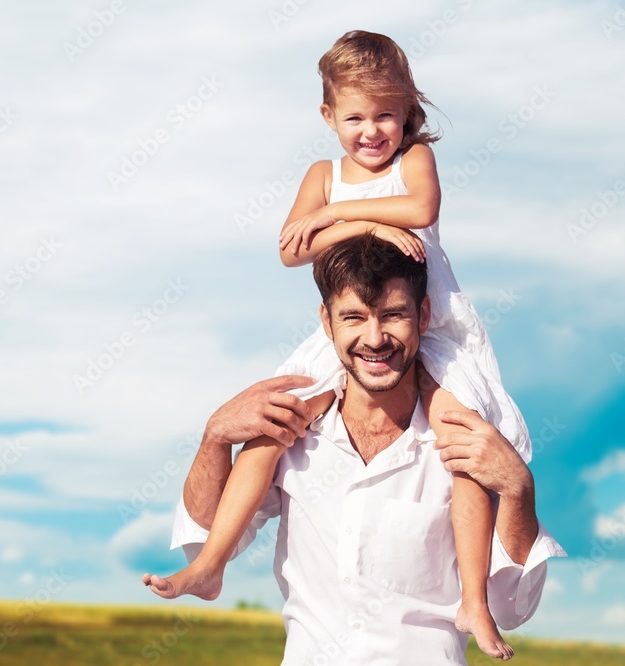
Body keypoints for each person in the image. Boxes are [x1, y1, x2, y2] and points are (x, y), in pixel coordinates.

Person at [143, 30, 532, 659]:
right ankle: (211, 562)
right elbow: (291, 247)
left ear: (408, 112)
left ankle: (474, 601)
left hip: (435, 333)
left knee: (461, 439)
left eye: (386, 114)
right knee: (274, 428)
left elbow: (422, 208)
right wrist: (359, 219)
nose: (372, 131)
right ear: (328, 116)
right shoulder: (323, 175)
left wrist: (347, 219)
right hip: (370, 324)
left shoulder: (414, 162)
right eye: (355, 116)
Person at [160, 235, 566, 665]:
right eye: (353, 317)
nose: (374, 339)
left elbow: (511, 608)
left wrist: (519, 489)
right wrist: (215, 438)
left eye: (393, 315)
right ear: (326, 322)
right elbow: (201, 543)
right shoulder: (292, 436)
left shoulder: (465, 440)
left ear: (424, 315)